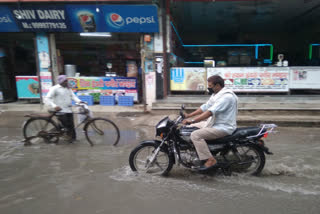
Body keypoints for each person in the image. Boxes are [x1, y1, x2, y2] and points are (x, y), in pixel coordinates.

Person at [182, 75, 238, 170]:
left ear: (217, 85)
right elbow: (205, 107)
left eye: (210, 86)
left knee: (195, 135)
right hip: (214, 123)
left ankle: (210, 159)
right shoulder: (216, 94)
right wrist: (189, 115)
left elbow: (209, 112)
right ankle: (199, 151)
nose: (209, 88)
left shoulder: (226, 97)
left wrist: (192, 120)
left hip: (223, 127)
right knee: (189, 127)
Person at [45, 75, 82, 143]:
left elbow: (73, 96)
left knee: (71, 124)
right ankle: (50, 136)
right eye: (65, 81)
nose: (66, 82)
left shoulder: (68, 88)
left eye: (66, 80)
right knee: (65, 125)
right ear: (61, 81)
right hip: (60, 110)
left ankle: (73, 138)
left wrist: (79, 101)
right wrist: (54, 106)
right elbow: (47, 98)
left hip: (68, 109)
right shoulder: (55, 88)